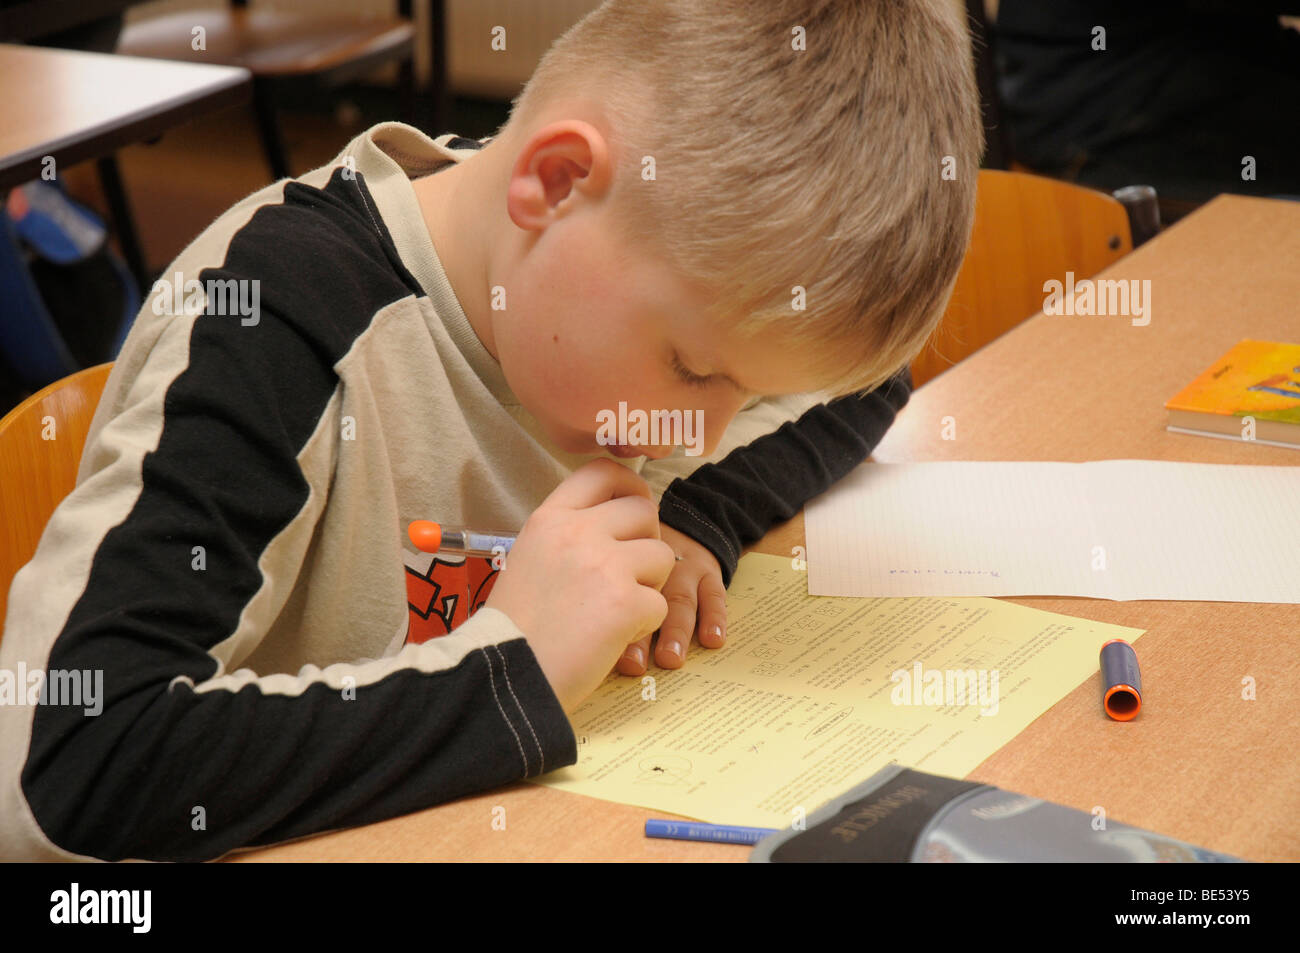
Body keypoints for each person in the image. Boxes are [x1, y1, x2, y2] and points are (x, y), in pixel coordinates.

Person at [0, 0, 981, 861]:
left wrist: (699, 515)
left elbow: (863, 383)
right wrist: (513, 670)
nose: (697, 426)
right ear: (554, 184)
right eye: (692, 367)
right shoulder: (275, 321)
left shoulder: (636, 258)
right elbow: (63, 766)